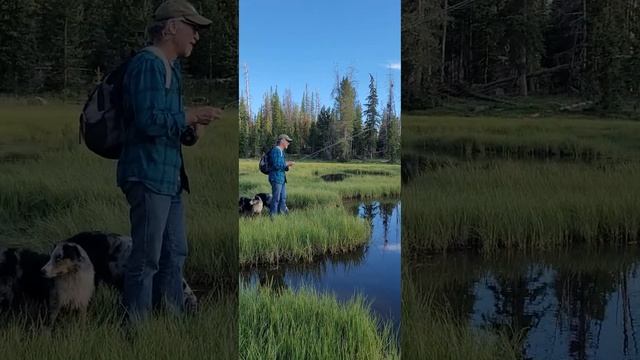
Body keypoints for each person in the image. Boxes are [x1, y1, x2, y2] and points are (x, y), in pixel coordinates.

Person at [116, 0, 222, 322]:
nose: (197, 37)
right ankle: (136, 331)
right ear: (171, 27)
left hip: (170, 178)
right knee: (147, 259)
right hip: (148, 177)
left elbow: (168, 126)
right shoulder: (148, 64)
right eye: (192, 27)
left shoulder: (171, 68)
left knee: (175, 253)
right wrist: (189, 115)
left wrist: (195, 129)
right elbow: (148, 121)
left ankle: (172, 322)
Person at [268, 134, 295, 217]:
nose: (288, 143)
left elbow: (281, 165)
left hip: (281, 179)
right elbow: (276, 165)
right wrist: (287, 163)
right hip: (276, 178)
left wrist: (287, 167)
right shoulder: (276, 150)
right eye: (287, 141)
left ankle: (281, 216)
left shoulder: (281, 151)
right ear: (282, 140)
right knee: (276, 199)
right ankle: (273, 218)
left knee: (282, 199)